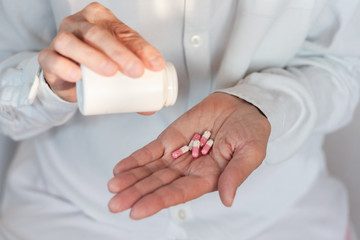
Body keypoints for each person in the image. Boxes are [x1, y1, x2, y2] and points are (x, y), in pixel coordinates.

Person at [0, 0, 359, 239]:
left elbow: (344, 68)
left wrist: (263, 107)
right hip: (67, 212)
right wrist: (48, 82)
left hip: (280, 218)